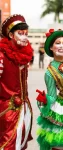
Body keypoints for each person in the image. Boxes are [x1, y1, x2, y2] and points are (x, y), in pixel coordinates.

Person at [0, 14, 33, 149]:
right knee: (8, 144)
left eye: (26, 33)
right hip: (7, 110)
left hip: (24, 108)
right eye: (20, 33)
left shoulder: (24, 56)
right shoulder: (1, 56)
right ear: (11, 35)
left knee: (21, 142)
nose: (25, 37)